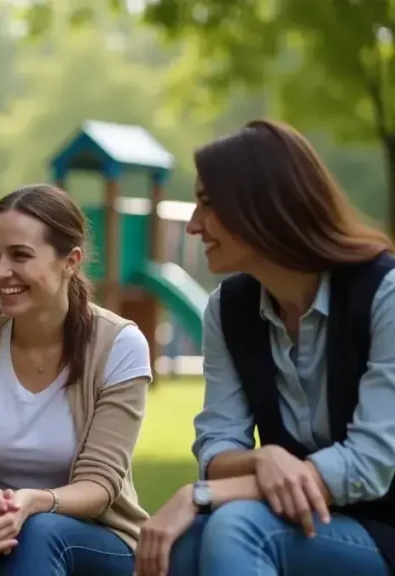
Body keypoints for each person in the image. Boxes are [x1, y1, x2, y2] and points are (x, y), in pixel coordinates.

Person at [135, 119, 395, 576]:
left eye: (208, 205)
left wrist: (201, 495)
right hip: (300, 520)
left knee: (235, 525)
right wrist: (263, 458)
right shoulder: (229, 310)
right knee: (183, 542)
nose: (194, 226)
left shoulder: (384, 293)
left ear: (263, 206)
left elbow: (371, 461)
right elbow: (216, 450)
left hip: (385, 527)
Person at [0, 184, 153, 576]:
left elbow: (99, 486)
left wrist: (33, 504)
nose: (0, 271)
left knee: (38, 533)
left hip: (93, 538)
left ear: (70, 261)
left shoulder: (119, 344)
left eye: (20, 255)